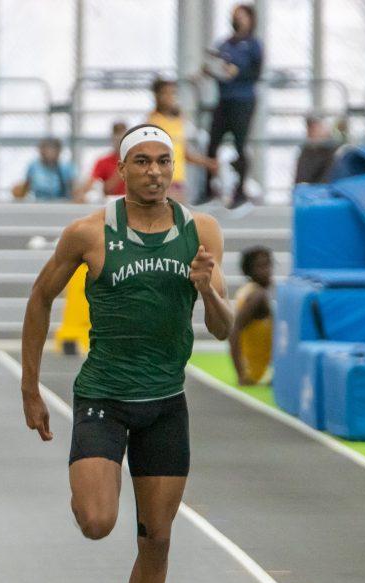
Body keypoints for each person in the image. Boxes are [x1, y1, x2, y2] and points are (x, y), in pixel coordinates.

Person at [20, 124, 233, 583]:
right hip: (104, 398)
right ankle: (88, 484)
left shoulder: (202, 232)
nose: (155, 172)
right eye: (142, 161)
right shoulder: (89, 232)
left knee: (157, 540)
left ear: (175, 168)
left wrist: (208, 289)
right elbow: (40, 297)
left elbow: (222, 327)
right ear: (122, 170)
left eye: (164, 161)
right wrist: (31, 389)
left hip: (166, 403)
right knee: (96, 523)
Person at [202, 3, 264, 207]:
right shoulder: (225, 44)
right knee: (213, 143)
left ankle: (240, 190)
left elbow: (256, 72)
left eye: (241, 16)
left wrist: (237, 73)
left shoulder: (253, 45)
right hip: (224, 99)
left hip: (243, 100)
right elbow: (216, 64)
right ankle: (208, 188)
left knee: (239, 144)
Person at [147, 78, 218, 203]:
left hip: (178, 179)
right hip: (161, 179)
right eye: (165, 93)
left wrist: (207, 163)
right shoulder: (153, 121)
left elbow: (184, 153)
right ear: (157, 96)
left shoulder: (178, 121)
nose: (170, 97)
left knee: (178, 218)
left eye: (173, 93)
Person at [229, 246, 274, 385]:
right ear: (248, 270)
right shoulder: (257, 296)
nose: (266, 270)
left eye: (268, 264)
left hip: (257, 374)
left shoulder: (247, 291)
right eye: (260, 266)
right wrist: (241, 374)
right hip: (259, 376)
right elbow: (234, 331)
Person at [74, 121, 127, 202]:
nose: (119, 140)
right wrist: (81, 193)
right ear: (112, 138)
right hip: (111, 204)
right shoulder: (103, 162)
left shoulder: (135, 161)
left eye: (121, 137)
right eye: (116, 136)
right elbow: (100, 187)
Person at [12, 137, 75, 202]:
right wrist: (18, 190)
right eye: (46, 149)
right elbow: (24, 189)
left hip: (62, 204)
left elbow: (73, 189)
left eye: (53, 149)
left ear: (59, 151)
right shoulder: (34, 167)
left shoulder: (65, 168)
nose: (50, 153)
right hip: (40, 204)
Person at [294, 116, 337, 185]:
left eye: (316, 127)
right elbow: (301, 179)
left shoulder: (335, 151)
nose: (312, 132)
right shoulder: (307, 150)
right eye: (310, 128)